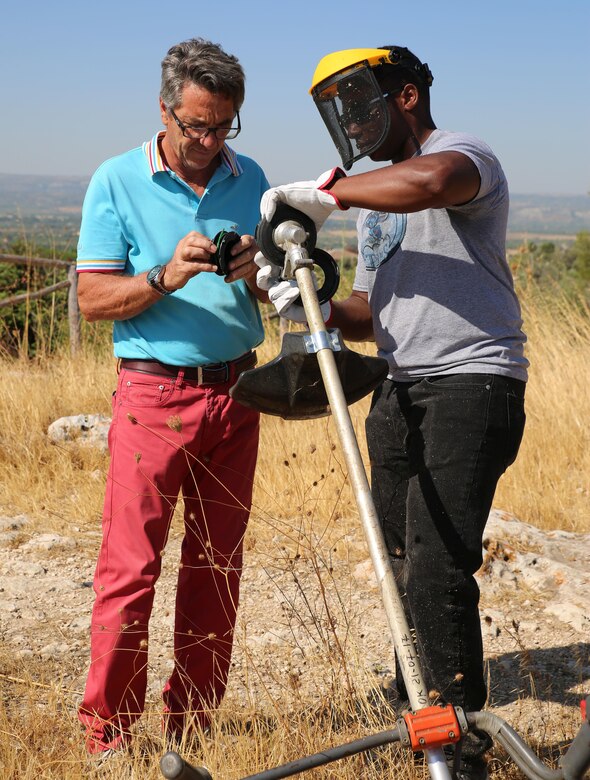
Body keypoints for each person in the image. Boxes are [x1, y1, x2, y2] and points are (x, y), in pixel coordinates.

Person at [256, 46, 528, 780]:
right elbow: (373, 311)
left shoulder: (460, 156)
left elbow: (436, 182)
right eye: (338, 111)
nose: (350, 121)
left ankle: (460, 748)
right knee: (400, 559)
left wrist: (333, 196)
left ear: (405, 95)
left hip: (473, 384)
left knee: (439, 560)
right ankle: (420, 708)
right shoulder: (377, 203)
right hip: (400, 386)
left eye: (359, 102)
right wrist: (296, 293)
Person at [76, 37, 269, 757]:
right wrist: (164, 275)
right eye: (196, 125)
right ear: (164, 109)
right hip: (154, 397)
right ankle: (107, 738)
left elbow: (278, 289)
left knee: (218, 571)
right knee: (131, 572)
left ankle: (190, 731)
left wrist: (255, 271)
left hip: (240, 394)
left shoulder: (253, 178)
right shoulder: (116, 179)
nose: (210, 140)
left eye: (223, 125)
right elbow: (93, 297)